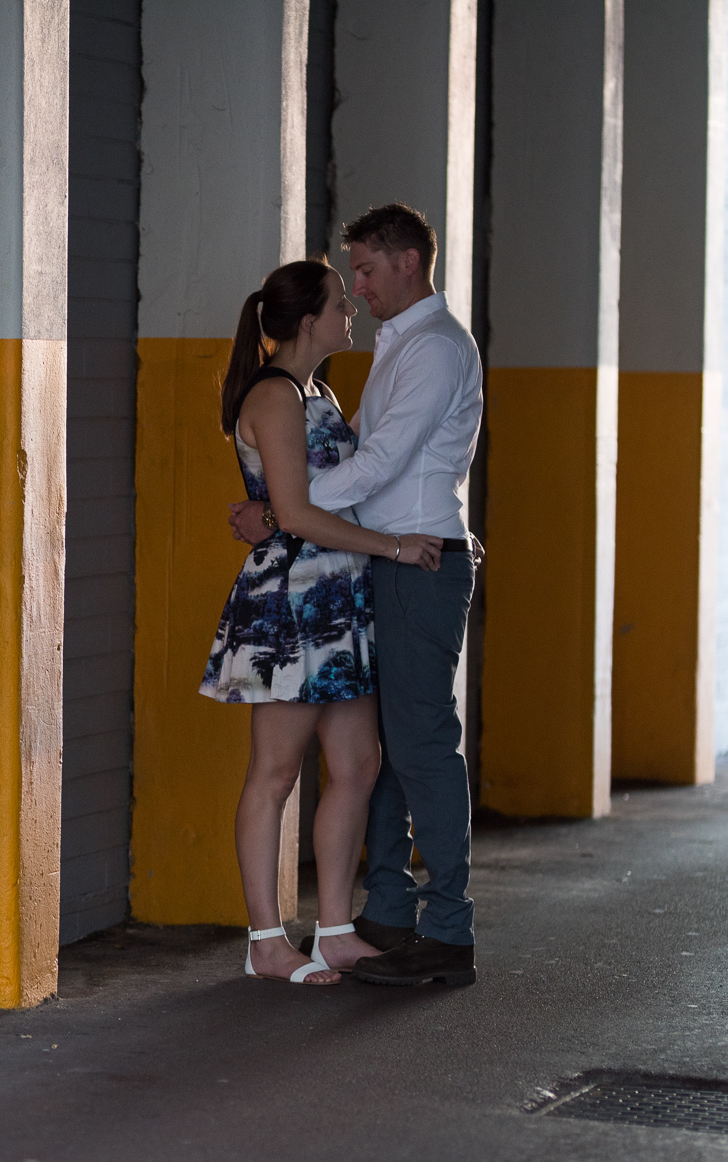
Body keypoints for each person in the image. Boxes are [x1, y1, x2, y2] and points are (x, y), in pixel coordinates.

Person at [230, 203, 483, 987]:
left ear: (408, 261)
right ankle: (300, 932)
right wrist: (302, 517)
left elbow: (368, 473)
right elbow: (328, 493)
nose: (358, 297)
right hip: (320, 590)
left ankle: (390, 926)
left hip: (367, 581)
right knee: (309, 767)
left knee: (386, 756)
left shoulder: (419, 355)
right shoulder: (296, 390)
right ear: (310, 319)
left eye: (365, 274)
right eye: (345, 292)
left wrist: (279, 512)